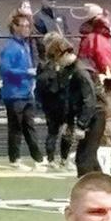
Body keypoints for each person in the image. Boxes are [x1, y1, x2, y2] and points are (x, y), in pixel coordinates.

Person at [0, 11, 46, 171]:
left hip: (26, 93)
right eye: (23, 26)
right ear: (15, 27)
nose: (27, 29)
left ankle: (38, 158)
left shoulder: (25, 45)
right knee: (16, 128)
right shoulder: (10, 47)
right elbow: (5, 69)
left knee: (30, 126)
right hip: (14, 94)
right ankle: (15, 159)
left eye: (28, 26)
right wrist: (26, 72)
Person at [78, 4, 111, 169]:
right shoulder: (97, 39)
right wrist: (109, 80)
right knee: (104, 123)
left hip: (97, 84)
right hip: (102, 85)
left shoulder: (91, 38)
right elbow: (105, 64)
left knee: (101, 123)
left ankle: (101, 156)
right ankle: (103, 157)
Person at [64, 45, 106, 176]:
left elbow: (89, 101)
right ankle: (102, 185)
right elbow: (71, 99)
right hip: (93, 114)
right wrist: (69, 123)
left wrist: (81, 125)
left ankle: (92, 186)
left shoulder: (80, 72)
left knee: (85, 158)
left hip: (95, 115)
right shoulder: (71, 71)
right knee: (86, 157)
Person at [37, 34, 73, 169]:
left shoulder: (43, 65)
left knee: (52, 131)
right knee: (66, 131)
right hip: (63, 102)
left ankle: (51, 159)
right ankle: (63, 159)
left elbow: (39, 86)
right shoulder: (64, 65)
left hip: (49, 104)